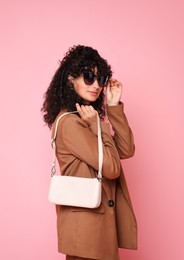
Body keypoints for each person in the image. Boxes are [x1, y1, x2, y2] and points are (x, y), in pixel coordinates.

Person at [42, 45, 137, 260]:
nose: (96, 85)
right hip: (87, 230)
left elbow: (126, 149)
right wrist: (97, 126)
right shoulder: (70, 124)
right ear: (70, 79)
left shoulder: (85, 119)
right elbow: (112, 169)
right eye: (88, 77)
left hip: (96, 226)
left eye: (101, 79)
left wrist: (113, 107)